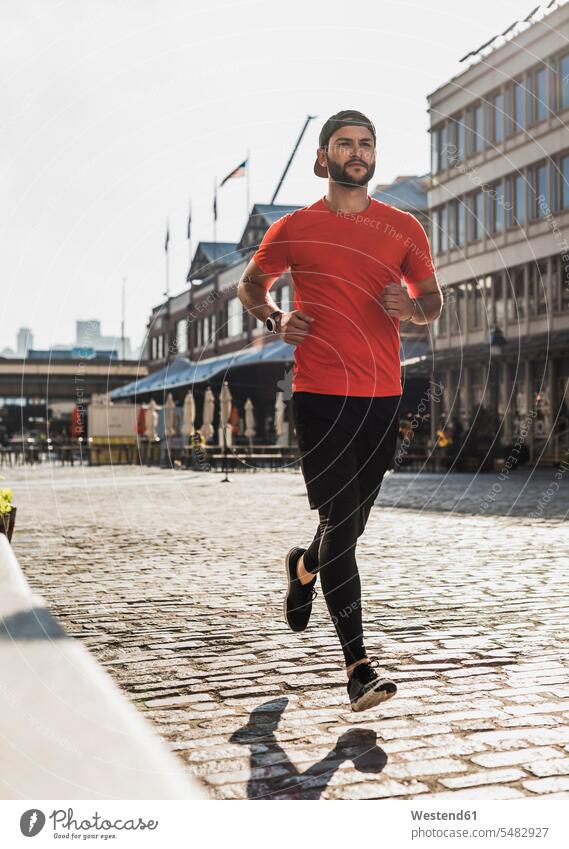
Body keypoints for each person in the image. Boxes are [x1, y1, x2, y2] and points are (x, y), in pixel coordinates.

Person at [237, 110, 442, 712]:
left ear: (374, 155)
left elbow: (432, 302)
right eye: (345, 144)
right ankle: (358, 668)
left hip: (383, 396)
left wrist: (410, 309)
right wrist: (275, 318)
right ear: (323, 158)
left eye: (366, 143)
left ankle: (303, 568)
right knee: (345, 531)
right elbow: (251, 286)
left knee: (344, 527)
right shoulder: (296, 228)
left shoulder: (404, 228)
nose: (358, 152)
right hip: (321, 395)